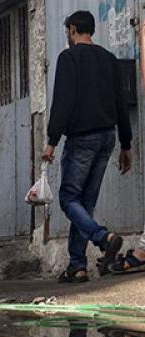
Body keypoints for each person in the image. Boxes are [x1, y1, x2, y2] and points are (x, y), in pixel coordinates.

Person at [42, 11, 132, 283]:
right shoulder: (109, 60)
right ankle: (78, 266)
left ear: (72, 29)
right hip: (107, 138)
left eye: (68, 31)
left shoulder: (68, 58)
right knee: (85, 203)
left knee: (69, 199)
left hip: (82, 139)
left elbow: (62, 102)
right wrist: (126, 145)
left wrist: (51, 141)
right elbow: (121, 104)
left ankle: (103, 237)